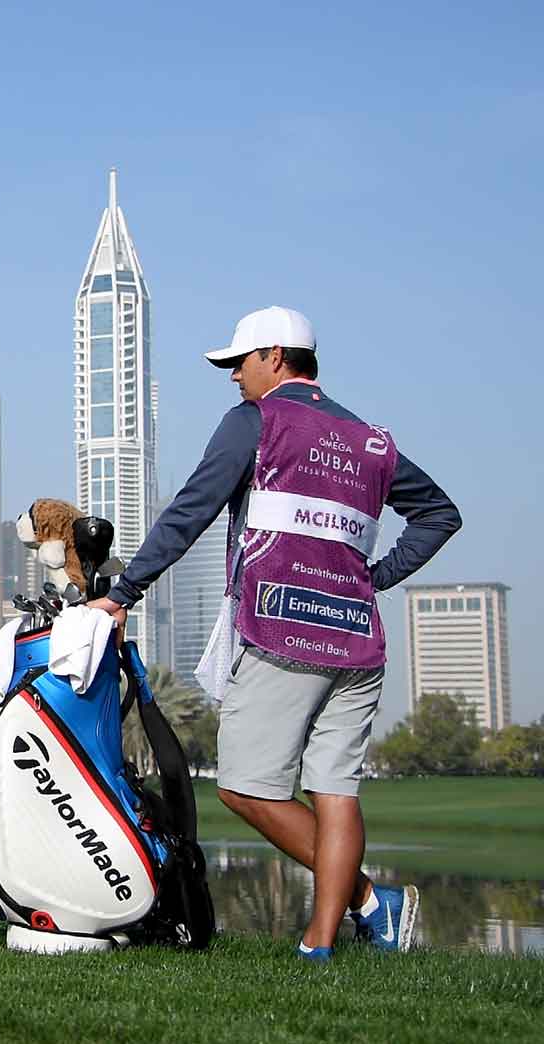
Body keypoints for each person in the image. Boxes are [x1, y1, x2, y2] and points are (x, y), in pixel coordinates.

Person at [86, 306, 459, 960]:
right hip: (358, 640)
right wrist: (373, 579)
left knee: (244, 787)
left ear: (276, 358)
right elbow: (438, 515)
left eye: (240, 362)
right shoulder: (371, 440)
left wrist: (124, 593)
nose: (233, 377)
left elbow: (190, 511)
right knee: (335, 790)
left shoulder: (256, 421)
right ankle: (328, 938)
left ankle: (370, 900)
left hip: (286, 632)